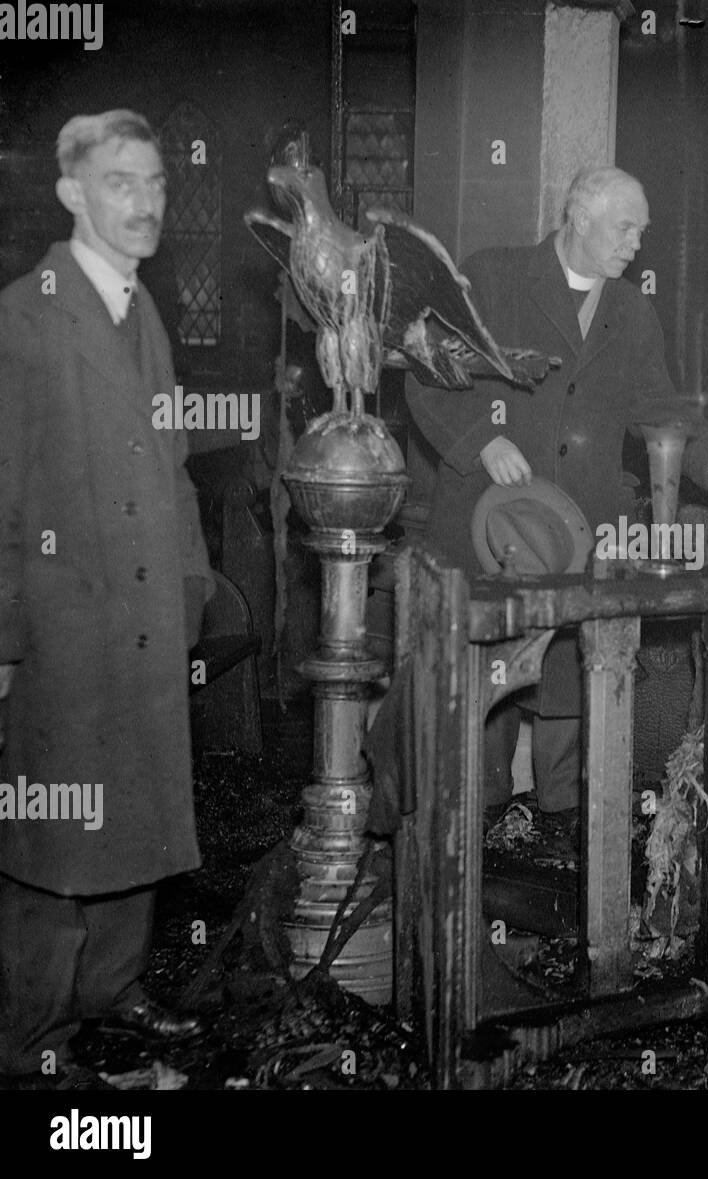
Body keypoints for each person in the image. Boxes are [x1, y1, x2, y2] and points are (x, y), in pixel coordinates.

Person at [405, 165, 708, 839]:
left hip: (580, 539)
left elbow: (659, 410)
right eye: (625, 227)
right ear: (578, 215)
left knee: (571, 690)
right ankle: (475, 840)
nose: (635, 244)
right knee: (481, 693)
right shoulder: (491, 276)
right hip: (490, 525)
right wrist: (484, 441)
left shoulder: (631, 311)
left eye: (642, 232)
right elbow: (426, 374)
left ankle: (563, 845)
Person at [0, 110, 213, 1088]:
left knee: (140, 816)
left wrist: (192, 588)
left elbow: (171, 468)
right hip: (65, 628)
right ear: (72, 194)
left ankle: (111, 991)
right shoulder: (25, 317)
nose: (145, 203)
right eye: (121, 182)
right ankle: (33, 1039)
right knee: (54, 841)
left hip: (147, 619)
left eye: (156, 182)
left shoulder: (142, 312)